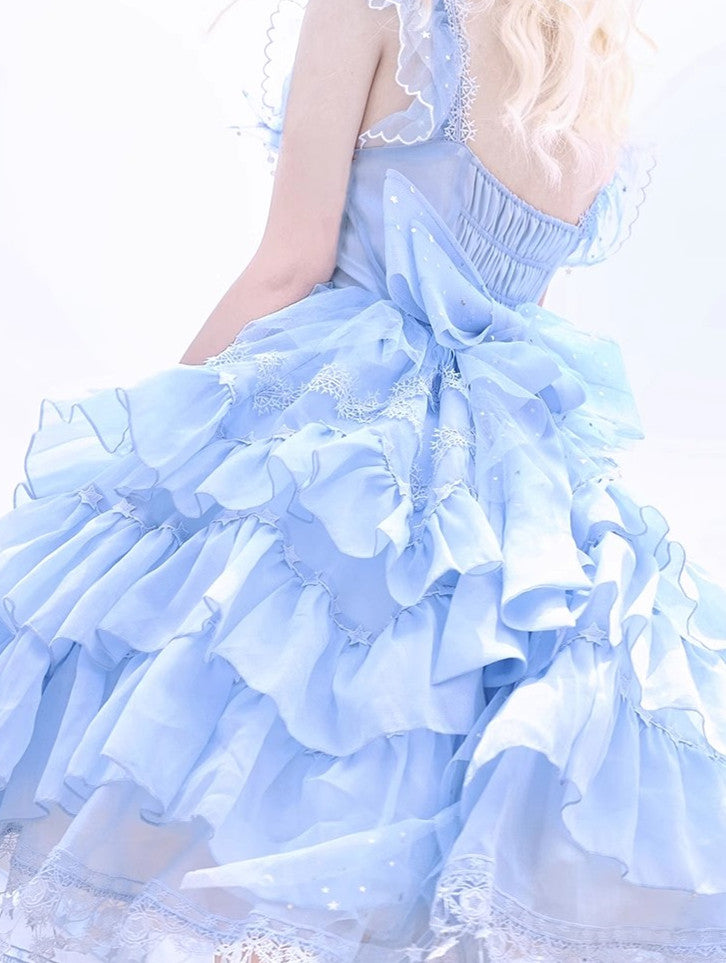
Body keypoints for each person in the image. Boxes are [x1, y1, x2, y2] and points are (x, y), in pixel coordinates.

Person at [1, 0, 725, 960]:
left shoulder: (383, 10)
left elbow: (290, 265)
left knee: (188, 730)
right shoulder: (590, 59)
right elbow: (517, 304)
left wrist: (160, 444)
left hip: (337, 437)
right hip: (510, 477)